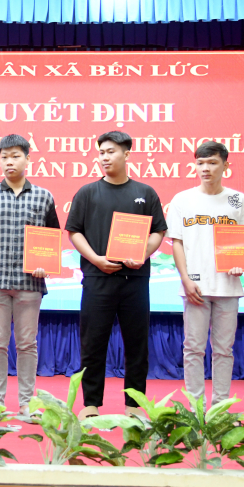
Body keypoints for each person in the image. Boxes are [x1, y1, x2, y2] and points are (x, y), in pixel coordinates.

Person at [65, 131, 166, 418]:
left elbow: (158, 231)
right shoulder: (87, 192)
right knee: (93, 343)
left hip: (135, 280)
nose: (105, 158)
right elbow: (74, 232)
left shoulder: (145, 192)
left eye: (111, 152)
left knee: (137, 344)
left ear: (126, 154)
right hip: (97, 278)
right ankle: (91, 404)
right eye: (101, 153)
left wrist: (142, 254)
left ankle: (134, 405)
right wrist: (95, 259)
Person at [0, 134, 60, 421]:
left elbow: (51, 239)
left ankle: (26, 404)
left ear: (28, 158)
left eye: (15, 156)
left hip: (29, 283)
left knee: (27, 344)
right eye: (4, 157)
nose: (9, 162)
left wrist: (46, 265)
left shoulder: (44, 196)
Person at [166, 141, 244, 408]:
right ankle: (195, 408)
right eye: (200, 163)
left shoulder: (238, 200)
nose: (205, 168)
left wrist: (240, 262)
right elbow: (177, 242)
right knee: (193, 349)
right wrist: (185, 279)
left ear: (225, 166)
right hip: (195, 288)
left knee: (224, 351)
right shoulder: (182, 199)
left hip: (228, 286)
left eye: (212, 163)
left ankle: (220, 408)